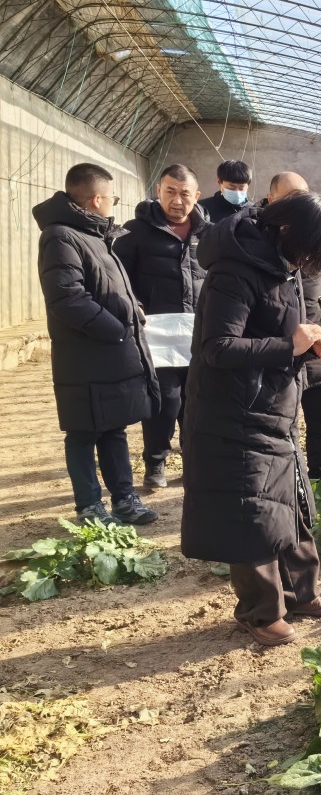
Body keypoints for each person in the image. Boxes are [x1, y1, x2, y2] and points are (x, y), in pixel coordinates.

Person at [180, 192, 321, 646]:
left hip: (274, 405)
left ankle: (300, 593)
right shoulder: (234, 271)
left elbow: (275, 328)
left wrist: (306, 344)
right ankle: (259, 611)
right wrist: (289, 345)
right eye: (312, 247)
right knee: (252, 512)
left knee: (289, 500)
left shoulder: (281, 265)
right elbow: (218, 346)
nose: (312, 260)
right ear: (286, 230)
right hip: (234, 410)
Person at [34, 163, 159, 525]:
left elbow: (109, 286)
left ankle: (124, 499)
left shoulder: (95, 235)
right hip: (85, 356)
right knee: (83, 433)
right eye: (112, 198)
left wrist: (133, 308)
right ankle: (89, 506)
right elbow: (67, 298)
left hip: (109, 353)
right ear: (97, 199)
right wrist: (117, 329)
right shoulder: (61, 236)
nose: (112, 204)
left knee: (113, 426)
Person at [114, 164, 209, 489]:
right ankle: (155, 462)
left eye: (185, 194)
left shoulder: (208, 234)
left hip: (199, 334)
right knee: (165, 401)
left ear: (196, 196)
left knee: (196, 402)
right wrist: (136, 308)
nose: (177, 201)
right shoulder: (135, 232)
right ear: (158, 191)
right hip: (157, 336)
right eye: (170, 192)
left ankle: (194, 462)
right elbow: (119, 279)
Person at [262, 172, 321, 479]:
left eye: (302, 196)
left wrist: (314, 312)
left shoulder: (318, 229)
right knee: (280, 417)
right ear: (271, 199)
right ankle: (288, 481)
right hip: (278, 343)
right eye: (290, 197)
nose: (299, 204)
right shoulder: (260, 235)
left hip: (316, 338)